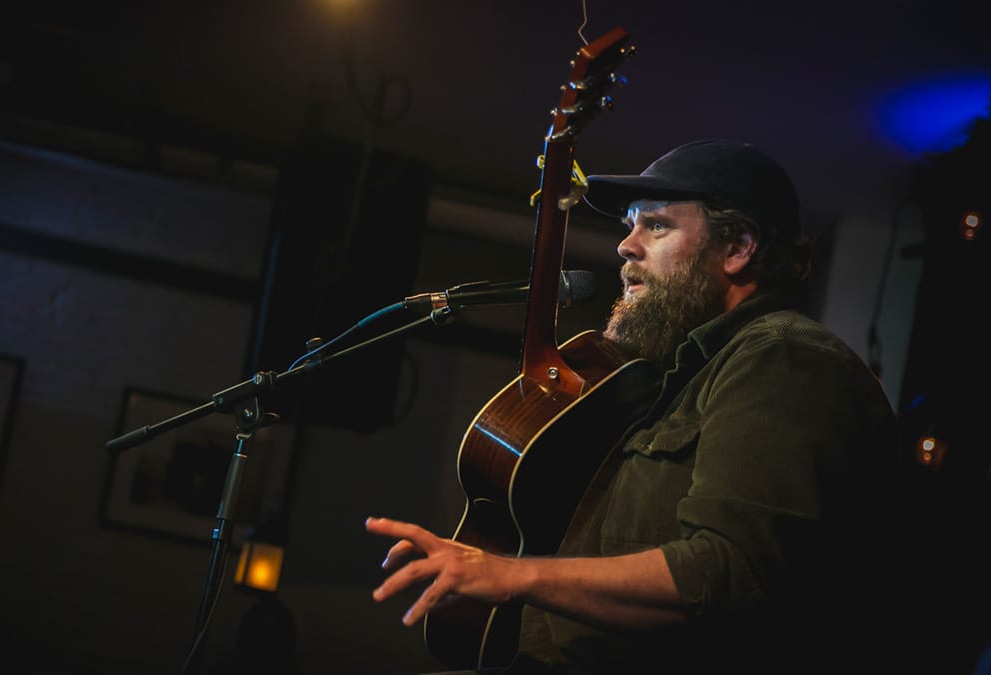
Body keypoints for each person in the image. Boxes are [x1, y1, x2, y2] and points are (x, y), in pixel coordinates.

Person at [365, 139, 908, 674]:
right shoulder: (677, 376)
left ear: (739, 247)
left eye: (656, 224)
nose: (625, 245)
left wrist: (513, 575)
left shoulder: (784, 359)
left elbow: (724, 575)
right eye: (630, 224)